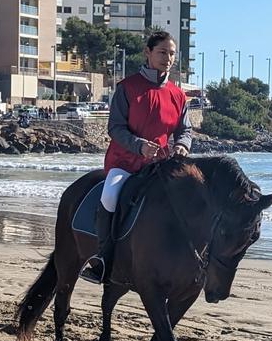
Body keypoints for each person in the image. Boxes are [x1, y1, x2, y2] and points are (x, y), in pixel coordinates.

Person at [79, 31, 192, 284]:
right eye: (162, 52)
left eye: (172, 53)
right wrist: (139, 146)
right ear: (148, 53)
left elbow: (185, 129)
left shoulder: (178, 94)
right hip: (125, 163)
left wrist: (183, 146)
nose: (168, 58)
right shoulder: (127, 88)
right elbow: (115, 127)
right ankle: (102, 260)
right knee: (109, 196)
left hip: (160, 166)